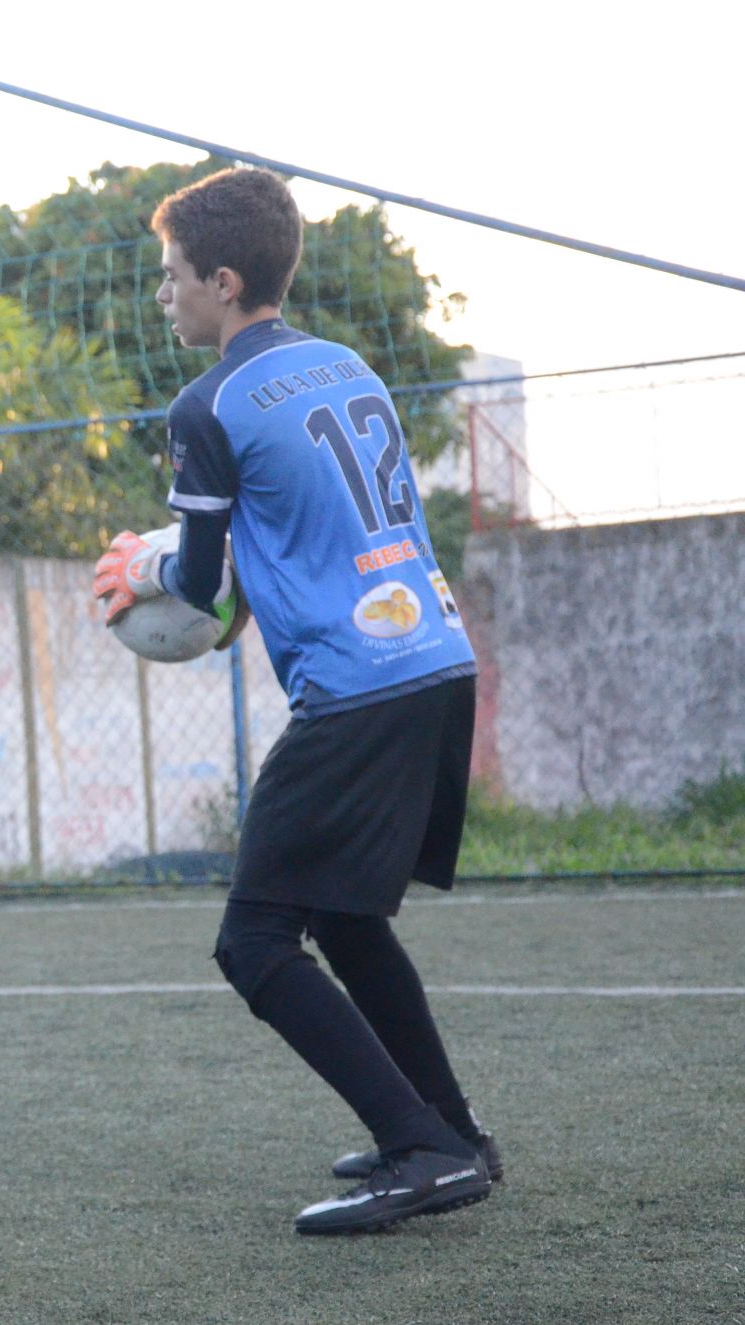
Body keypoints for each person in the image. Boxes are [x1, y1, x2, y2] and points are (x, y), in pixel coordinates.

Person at [92, 167, 500, 1236]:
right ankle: (449, 1130)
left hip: (356, 688)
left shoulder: (205, 405)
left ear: (222, 281)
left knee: (254, 941)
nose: (161, 295)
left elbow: (196, 581)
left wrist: (133, 574)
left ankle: (420, 1147)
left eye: (171, 276)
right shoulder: (345, 365)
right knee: (343, 916)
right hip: (436, 658)